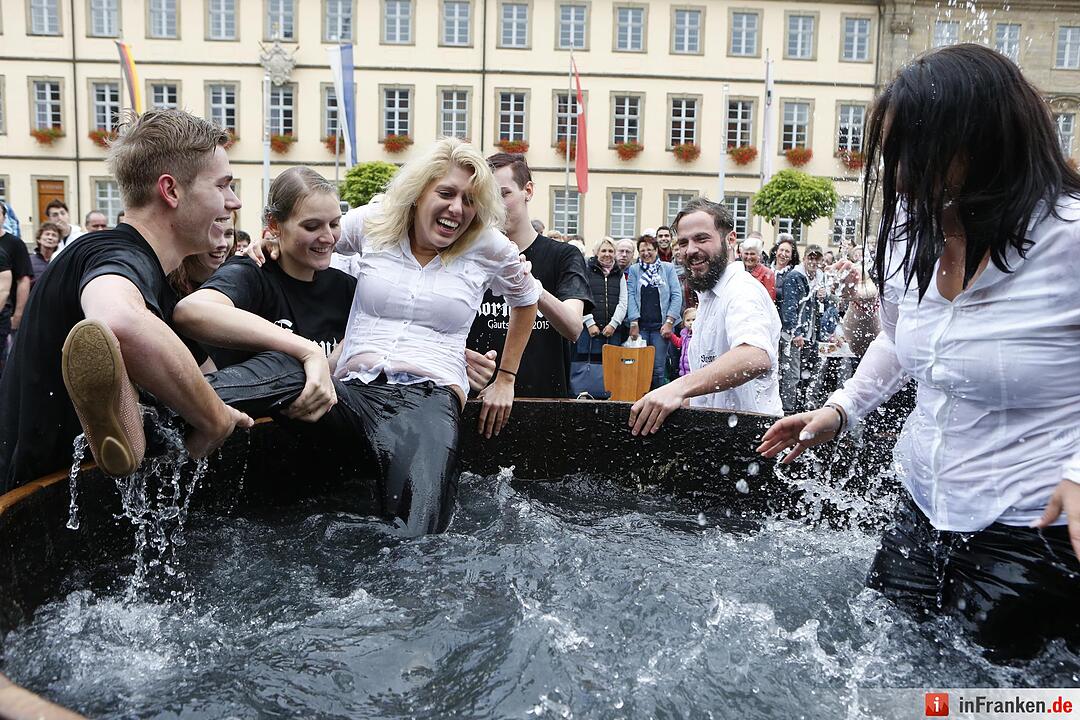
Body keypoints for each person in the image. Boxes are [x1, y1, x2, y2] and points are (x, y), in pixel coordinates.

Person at [759, 44, 1080, 656]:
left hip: (1034, 521)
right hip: (923, 503)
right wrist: (841, 408)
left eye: (918, 150)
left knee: (992, 691)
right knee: (890, 665)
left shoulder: (1070, 236)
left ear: (985, 143)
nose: (901, 174)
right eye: (894, 152)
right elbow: (899, 338)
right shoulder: (913, 231)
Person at [244, 140, 539, 535]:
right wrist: (272, 240)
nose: (457, 208)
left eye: (469, 200)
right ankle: (188, 413)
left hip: (428, 403)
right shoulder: (376, 221)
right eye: (446, 193)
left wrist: (506, 378)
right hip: (351, 393)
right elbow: (316, 237)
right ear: (419, 193)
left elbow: (526, 299)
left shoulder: (488, 245)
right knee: (286, 366)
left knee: (419, 534)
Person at [0, 108, 253, 491]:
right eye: (222, 186)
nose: (233, 202)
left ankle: (133, 421)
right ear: (171, 191)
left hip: (62, 492)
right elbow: (120, 319)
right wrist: (214, 420)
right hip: (40, 494)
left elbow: (207, 375)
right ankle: (131, 431)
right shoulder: (113, 253)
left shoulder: (155, 281)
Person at [629, 199, 781, 434]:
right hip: (721, 435)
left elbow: (755, 357)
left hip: (751, 439)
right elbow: (713, 386)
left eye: (701, 239)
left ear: (730, 240)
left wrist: (678, 388)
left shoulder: (741, 290)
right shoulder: (710, 294)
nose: (690, 250)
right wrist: (680, 401)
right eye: (683, 242)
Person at [467, 153, 591, 398]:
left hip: (544, 401)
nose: (495, 206)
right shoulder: (468, 256)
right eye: (487, 198)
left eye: (504, 194)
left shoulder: (564, 255)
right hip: (477, 401)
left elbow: (574, 327)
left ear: (528, 191)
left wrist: (529, 285)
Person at [778, 244, 832, 413]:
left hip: (811, 335)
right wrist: (796, 333)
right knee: (792, 375)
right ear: (804, 258)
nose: (813, 262)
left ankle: (802, 410)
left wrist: (825, 297)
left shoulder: (821, 277)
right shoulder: (794, 277)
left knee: (807, 373)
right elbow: (789, 307)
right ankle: (787, 411)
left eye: (817, 259)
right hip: (793, 335)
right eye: (811, 258)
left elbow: (826, 307)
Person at [627, 235, 682, 389]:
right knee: (640, 367)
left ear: (656, 250)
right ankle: (640, 397)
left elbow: (676, 295)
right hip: (642, 327)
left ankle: (657, 398)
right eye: (642, 250)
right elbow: (631, 294)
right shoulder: (634, 270)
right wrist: (633, 322)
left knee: (658, 368)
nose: (646, 253)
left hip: (661, 327)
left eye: (649, 249)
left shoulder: (667, 268)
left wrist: (670, 321)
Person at [573, 237, 628, 386]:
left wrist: (613, 324)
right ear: (597, 253)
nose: (607, 254)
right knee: (587, 364)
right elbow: (581, 297)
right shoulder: (586, 271)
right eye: (603, 250)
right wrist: (590, 323)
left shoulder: (619, 274)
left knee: (611, 365)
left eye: (610, 251)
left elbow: (623, 302)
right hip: (589, 329)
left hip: (612, 330)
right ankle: (586, 391)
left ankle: (607, 393)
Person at [0, 204, 32, 352]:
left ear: (4, 218)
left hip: (6, 314)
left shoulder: (15, 244)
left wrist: (18, 315)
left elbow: (23, 280)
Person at [741, 233, 776, 301]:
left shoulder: (767, 273)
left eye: (752, 254)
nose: (749, 257)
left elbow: (769, 301)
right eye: (746, 253)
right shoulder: (739, 270)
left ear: (759, 255)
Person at [670, 306, 697, 377]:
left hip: (694, 369)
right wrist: (671, 335)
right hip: (683, 369)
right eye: (688, 320)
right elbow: (679, 343)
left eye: (693, 320)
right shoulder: (684, 335)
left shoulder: (699, 336)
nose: (691, 323)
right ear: (684, 322)